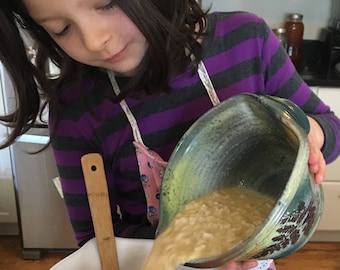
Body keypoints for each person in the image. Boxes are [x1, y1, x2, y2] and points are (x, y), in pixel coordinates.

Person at [0, 1, 339, 269]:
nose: (94, 40)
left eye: (106, 4)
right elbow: (97, 238)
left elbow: (331, 126)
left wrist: (312, 136)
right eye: (62, 29)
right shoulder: (76, 111)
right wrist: (197, 255)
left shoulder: (247, 42)